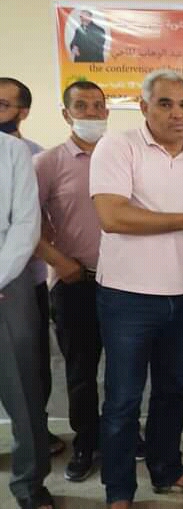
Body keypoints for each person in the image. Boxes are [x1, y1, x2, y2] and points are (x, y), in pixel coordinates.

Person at [89, 70, 183, 507]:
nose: (177, 113)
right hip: (127, 298)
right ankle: (119, 492)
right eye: (166, 104)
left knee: (173, 393)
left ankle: (167, 470)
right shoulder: (118, 147)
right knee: (123, 401)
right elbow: (112, 216)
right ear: (144, 107)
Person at [34, 80, 112, 482]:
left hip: (124, 283)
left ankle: (122, 434)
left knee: (125, 368)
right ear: (66, 114)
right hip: (75, 282)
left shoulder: (123, 156)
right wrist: (58, 261)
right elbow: (23, 223)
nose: (92, 113)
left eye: (98, 106)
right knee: (81, 370)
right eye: (82, 106)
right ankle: (86, 441)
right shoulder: (47, 163)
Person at [0, 76, 65, 457]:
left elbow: (34, 224)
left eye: (4, 105)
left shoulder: (33, 156)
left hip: (26, 281)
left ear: (22, 112)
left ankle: (35, 441)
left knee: (30, 372)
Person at [0, 132, 54, 509]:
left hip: (7, 276)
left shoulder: (12, 151)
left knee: (23, 390)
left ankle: (28, 482)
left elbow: (25, 223)